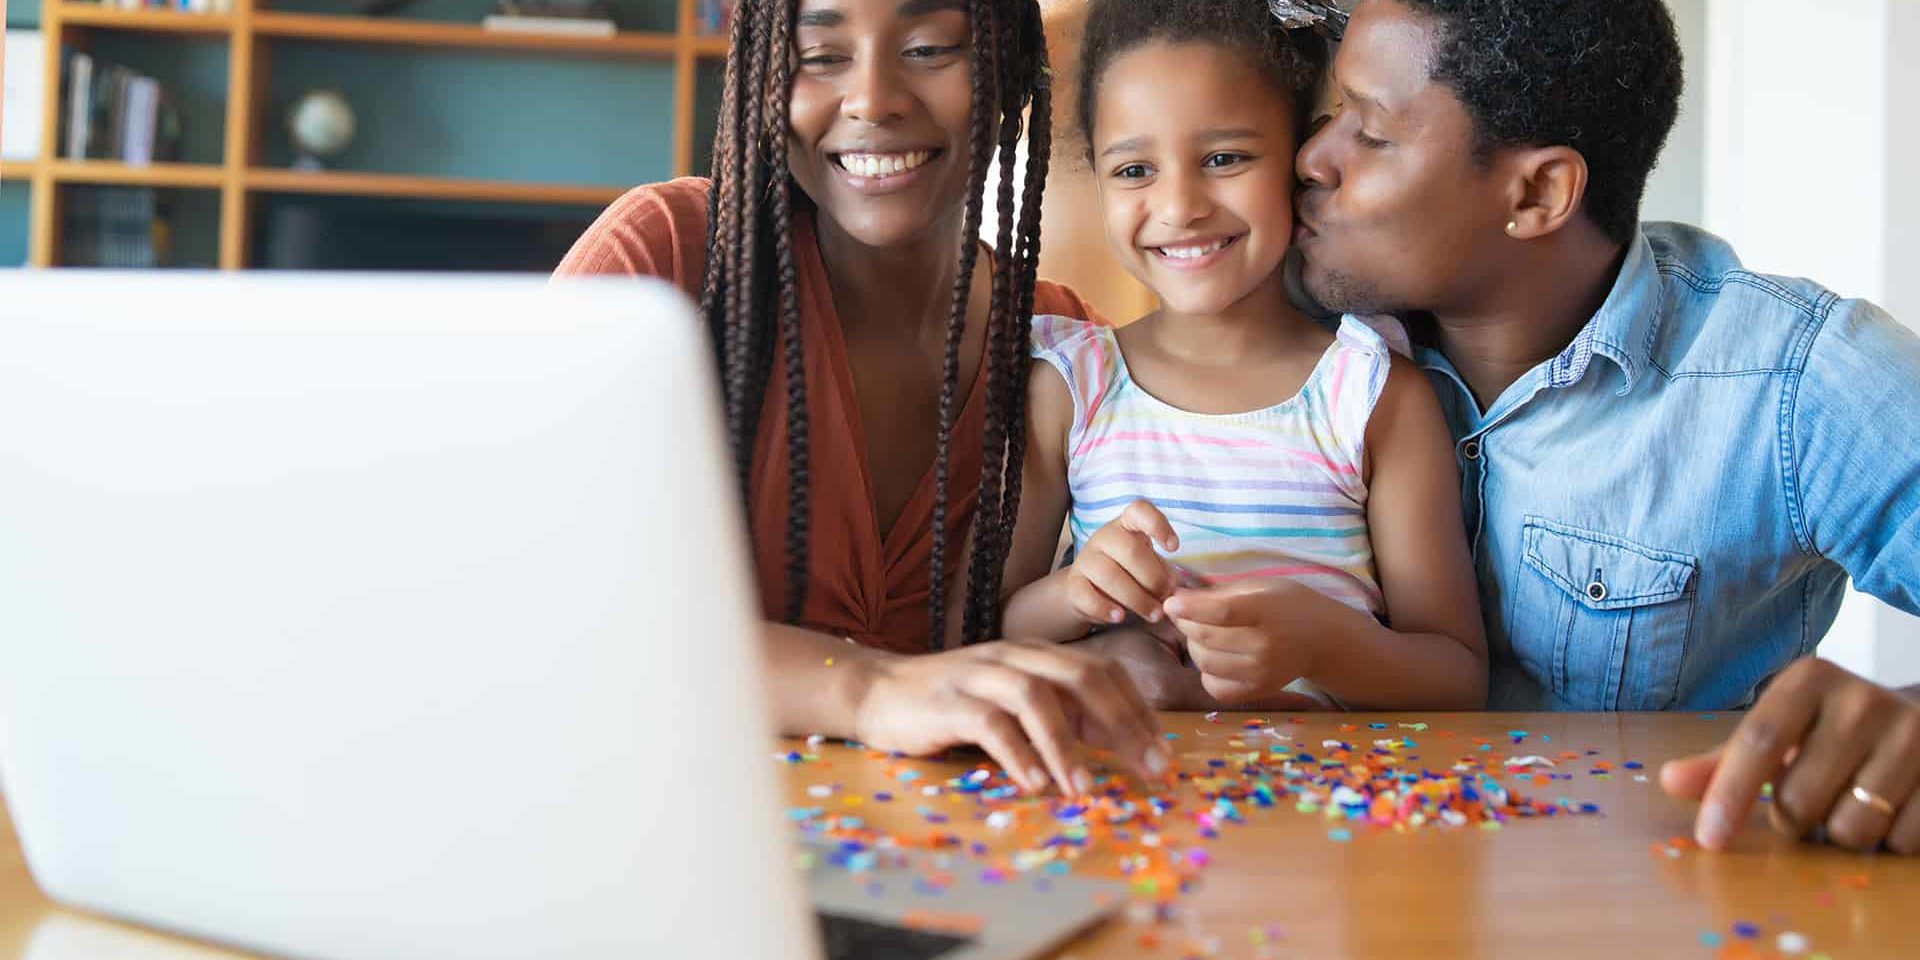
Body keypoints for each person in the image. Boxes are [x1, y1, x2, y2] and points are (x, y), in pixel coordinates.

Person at [1291, 0, 1920, 853]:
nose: (1311, 158)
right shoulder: (1291, 339)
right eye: (1335, 113)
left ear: (1539, 192)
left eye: (1370, 132)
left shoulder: (1786, 377)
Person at [555, 0, 1169, 796]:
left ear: (1015, 74)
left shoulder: (1066, 351)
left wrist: (1103, 650)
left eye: (928, 47)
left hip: (963, 864)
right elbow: (534, 611)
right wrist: (867, 688)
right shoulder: (669, 260)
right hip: (660, 837)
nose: (873, 99)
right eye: (820, 54)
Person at [997, 0, 1486, 713]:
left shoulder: (1374, 395)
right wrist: (1073, 596)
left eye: (1224, 159)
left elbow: (1457, 677)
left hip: (1336, 814)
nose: (1181, 205)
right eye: (1134, 170)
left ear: (1300, 159)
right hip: (1128, 811)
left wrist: (1324, 645)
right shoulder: (1072, 388)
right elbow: (987, 632)